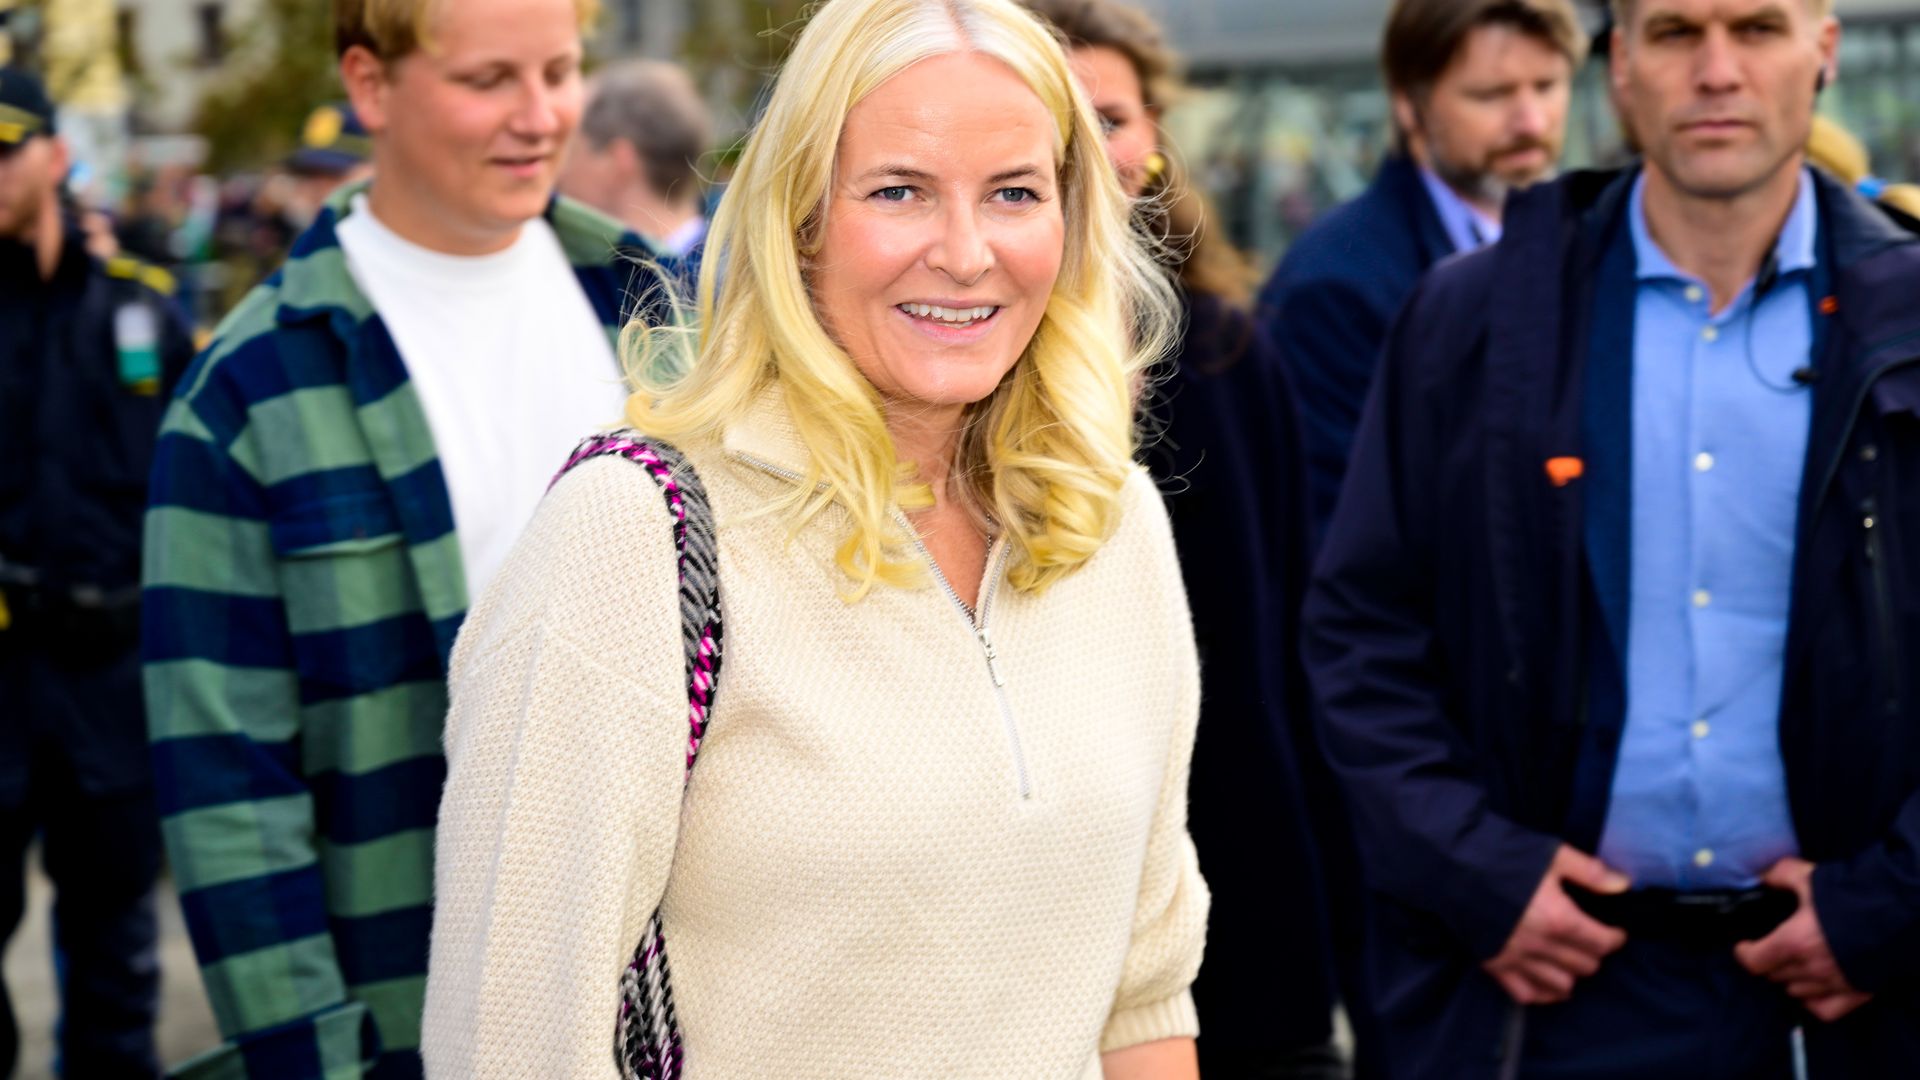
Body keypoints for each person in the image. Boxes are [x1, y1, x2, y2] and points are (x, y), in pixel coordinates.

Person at [421, 0, 1208, 1075]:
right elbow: (510, 1042)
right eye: (900, 191)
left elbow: (1144, 1002)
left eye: (1015, 193)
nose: (968, 252)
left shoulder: (1112, 525)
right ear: (799, 220)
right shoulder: (632, 537)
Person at [1305, 0, 1920, 1074]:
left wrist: (1895, 900)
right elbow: (1361, 632)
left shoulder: (1905, 319)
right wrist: (1478, 876)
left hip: (1852, 992)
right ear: (1620, 61)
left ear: (1823, 48)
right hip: (1553, 998)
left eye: (1758, 28)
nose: (1717, 71)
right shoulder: (1470, 321)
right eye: (1678, 32)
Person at [141, 0, 663, 1074]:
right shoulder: (242, 398)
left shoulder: (662, 312)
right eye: (488, 82)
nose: (539, 116)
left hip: (685, 1008)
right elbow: (230, 796)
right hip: (411, 1010)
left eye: (560, 71)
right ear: (370, 85)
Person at [1019, 1, 1339, 1076]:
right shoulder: (955, 370)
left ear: (1155, 138)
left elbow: (1292, 639)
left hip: (1239, 885)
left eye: (1111, 117)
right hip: (1045, 898)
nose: (1091, 151)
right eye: (1056, 120)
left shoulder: (1230, 354)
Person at [0, 64, 193, 1080]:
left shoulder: (140, 312)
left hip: (108, 676)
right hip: (1, 671)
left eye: (5, 148)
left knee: (115, 956)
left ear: (57, 155)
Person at [1261, 0, 1585, 543]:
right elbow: (1346, 540)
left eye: (1548, 86)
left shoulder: (1590, 240)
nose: (1531, 121)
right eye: (1492, 94)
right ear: (1409, 106)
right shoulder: (1333, 289)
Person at [560, 60, 712, 257]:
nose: (559, 173)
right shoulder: (734, 274)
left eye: (571, 152)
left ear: (617, 161)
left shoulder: (593, 277)